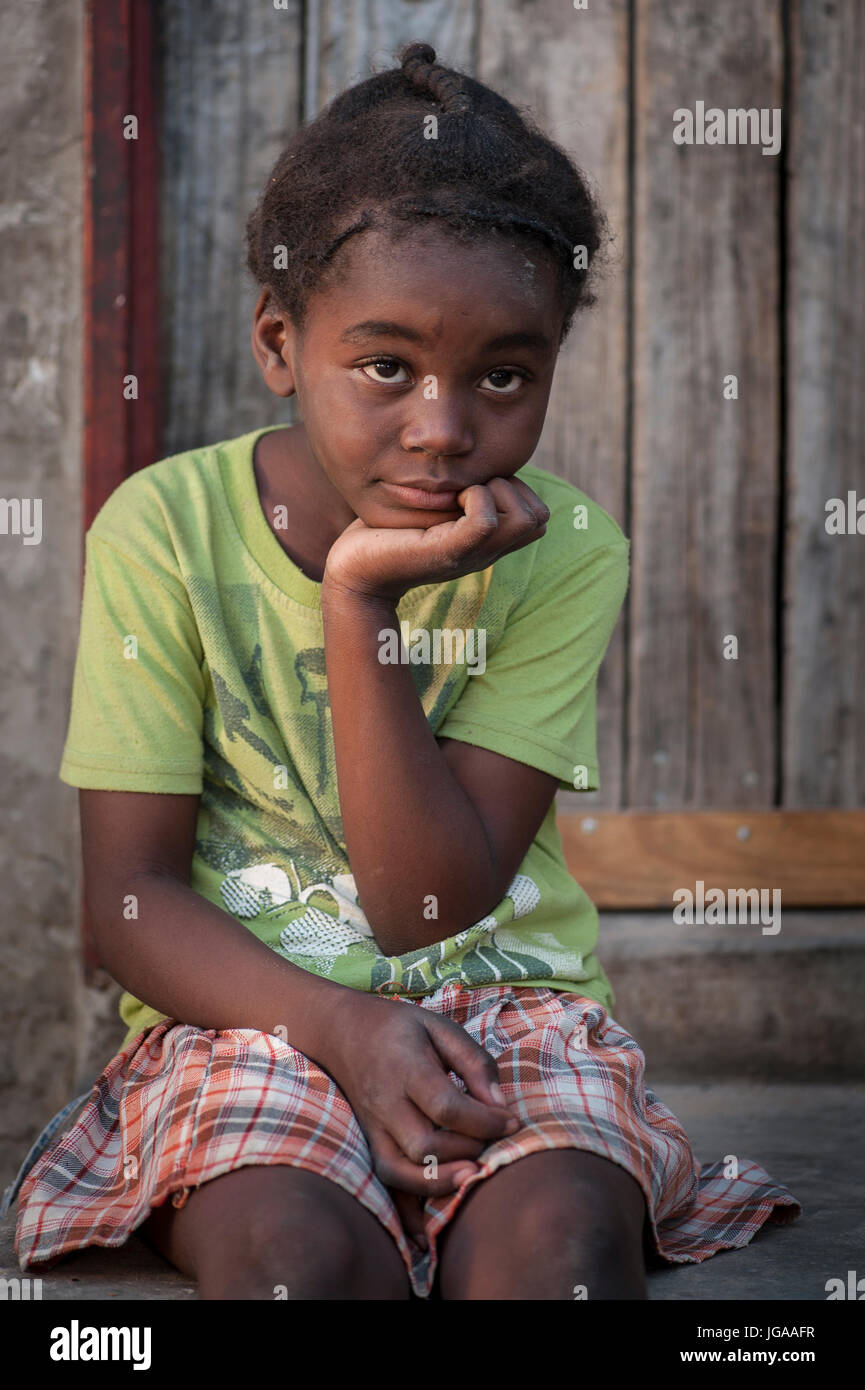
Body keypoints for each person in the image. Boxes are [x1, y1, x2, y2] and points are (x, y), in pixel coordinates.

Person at [12, 41, 800, 1300]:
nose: (442, 427)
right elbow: (125, 903)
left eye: (503, 373)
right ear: (281, 341)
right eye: (386, 366)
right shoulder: (163, 531)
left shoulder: (565, 551)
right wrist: (342, 1029)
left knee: (562, 1258)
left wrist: (360, 598)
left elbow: (424, 914)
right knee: (296, 1264)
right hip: (251, 1025)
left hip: (509, 1016)